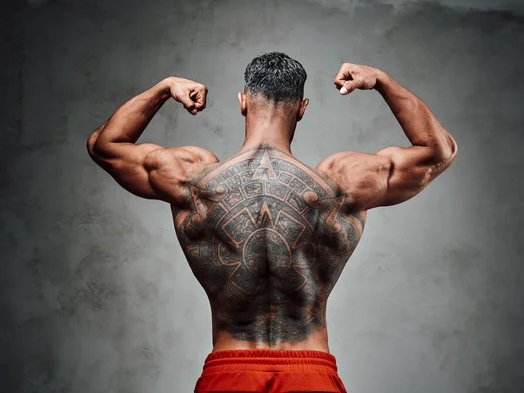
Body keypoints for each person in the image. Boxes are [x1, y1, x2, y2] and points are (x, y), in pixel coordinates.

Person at [87, 52, 457, 393]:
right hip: (310, 374)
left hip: (228, 373)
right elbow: (439, 152)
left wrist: (165, 88)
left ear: (243, 102)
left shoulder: (192, 179)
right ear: (302, 108)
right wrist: (380, 80)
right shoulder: (342, 183)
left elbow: (104, 145)